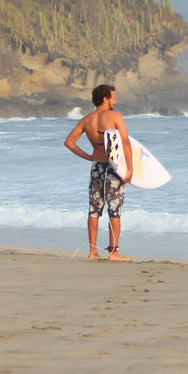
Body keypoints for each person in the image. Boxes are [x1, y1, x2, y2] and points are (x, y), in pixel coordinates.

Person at [64, 83, 133, 261]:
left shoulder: (87, 120)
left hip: (96, 167)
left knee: (94, 210)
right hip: (113, 168)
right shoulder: (115, 116)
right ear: (105, 98)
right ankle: (113, 252)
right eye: (113, 97)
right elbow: (125, 142)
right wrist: (130, 169)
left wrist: (89, 157)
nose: (115, 101)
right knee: (114, 210)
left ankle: (93, 251)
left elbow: (69, 142)